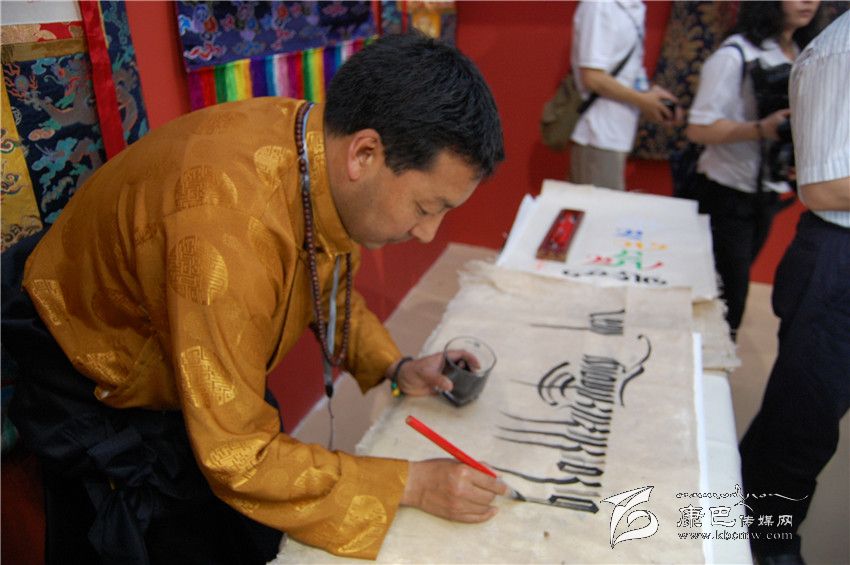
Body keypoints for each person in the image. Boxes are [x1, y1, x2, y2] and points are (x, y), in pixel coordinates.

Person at [2, 32, 506, 564]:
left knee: (255, 526)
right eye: (426, 208)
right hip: (96, 374)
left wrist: (395, 366)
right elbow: (238, 454)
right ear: (365, 153)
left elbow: (324, 279)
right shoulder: (227, 234)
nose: (428, 234)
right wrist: (411, 484)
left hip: (193, 344)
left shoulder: (316, 148)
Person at [739, 11, 850, 565]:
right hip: (838, 260)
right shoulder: (841, 52)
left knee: (795, 420)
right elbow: (826, 187)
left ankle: (743, 527)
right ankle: (768, 546)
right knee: (800, 430)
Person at [685, 0, 823, 337]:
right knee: (727, 299)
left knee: (731, 289)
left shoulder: (803, 53)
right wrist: (761, 129)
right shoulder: (735, 55)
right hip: (726, 191)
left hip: (767, 193)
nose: (808, 1)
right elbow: (698, 128)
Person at [569, 0, 678, 190]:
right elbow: (592, 77)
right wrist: (642, 101)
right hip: (598, 134)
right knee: (598, 206)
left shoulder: (634, 7)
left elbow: (629, 70)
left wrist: (649, 95)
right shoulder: (600, 6)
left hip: (619, 134)